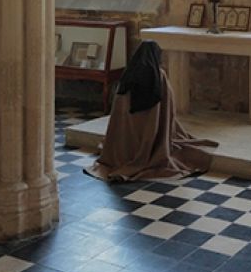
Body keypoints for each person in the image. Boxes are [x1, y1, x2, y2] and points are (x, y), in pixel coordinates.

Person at [87, 41, 217, 181]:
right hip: (150, 131)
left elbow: (118, 109)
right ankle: (144, 154)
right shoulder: (158, 75)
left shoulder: (128, 74)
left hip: (126, 137)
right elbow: (168, 105)